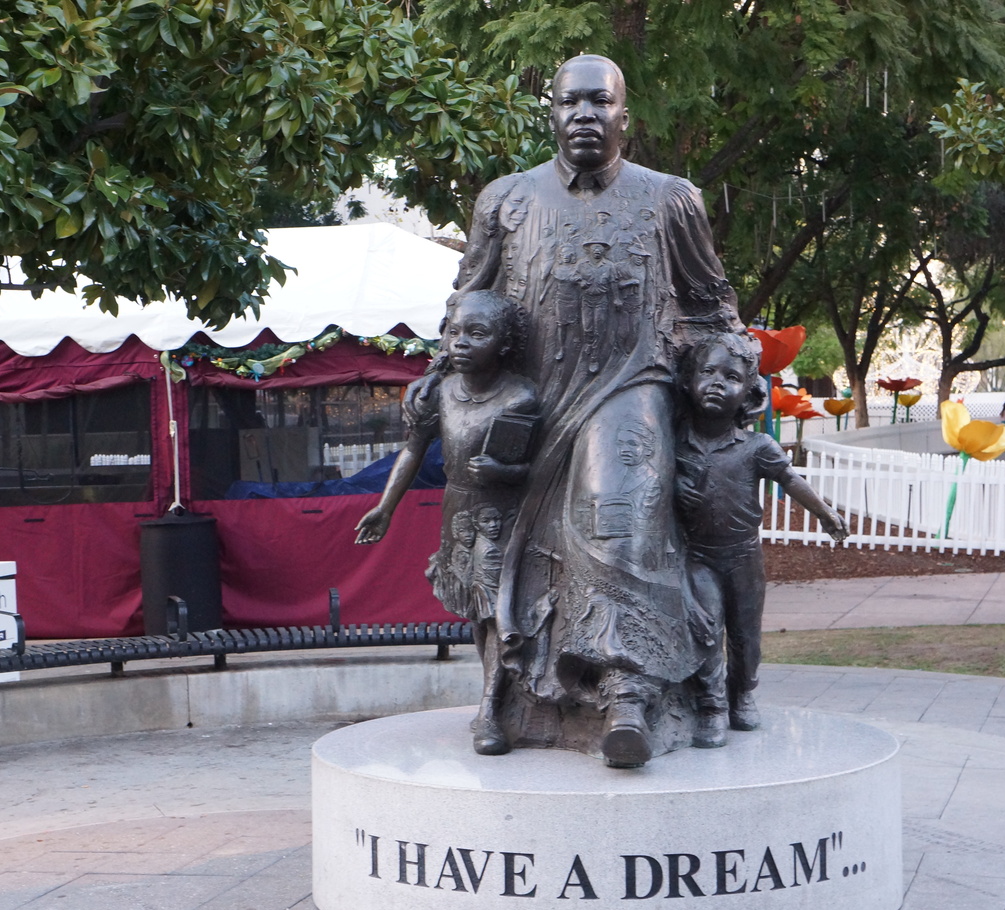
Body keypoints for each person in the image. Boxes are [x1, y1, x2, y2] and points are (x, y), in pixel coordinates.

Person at [402, 54, 745, 766]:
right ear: (552, 113)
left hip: (631, 389)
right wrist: (440, 373)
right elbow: (470, 298)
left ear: (625, 116)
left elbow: (711, 306)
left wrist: (729, 380)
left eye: (600, 102)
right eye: (570, 103)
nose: (584, 115)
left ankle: (628, 695)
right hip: (528, 401)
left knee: (617, 521)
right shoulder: (506, 200)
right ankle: (512, 695)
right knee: (507, 551)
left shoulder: (670, 199)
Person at [356, 289, 539, 754]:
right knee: (476, 613)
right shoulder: (440, 391)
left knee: (497, 610)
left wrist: (503, 472)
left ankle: (491, 711)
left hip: (500, 516)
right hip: (457, 511)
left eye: (477, 334)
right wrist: (385, 507)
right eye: (455, 332)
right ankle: (492, 697)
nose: (461, 343)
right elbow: (413, 450)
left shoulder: (519, 396)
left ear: (503, 344)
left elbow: (534, 469)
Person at [675, 334, 847, 738]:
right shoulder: (674, 441)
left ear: (748, 394)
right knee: (706, 629)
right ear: (688, 381)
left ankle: (742, 695)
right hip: (697, 555)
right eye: (708, 372)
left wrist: (824, 513)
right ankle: (712, 705)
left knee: (745, 636)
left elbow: (790, 479)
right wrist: (672, 487)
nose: (717, 383)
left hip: (743, 556)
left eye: (731, 377)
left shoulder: (756, 446)